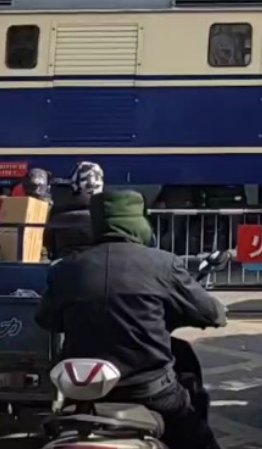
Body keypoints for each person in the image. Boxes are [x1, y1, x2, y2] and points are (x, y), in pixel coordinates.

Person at [35, 190, 226, 449]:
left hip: (82, 391)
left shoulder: (67, 268)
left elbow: (46, 319)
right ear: (140, 222)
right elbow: (212, 313)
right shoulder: (163, 264)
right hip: (149, 389)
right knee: (197, 437)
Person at [44, 161, 104, 260]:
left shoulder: (57, 217)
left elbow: (49, 247)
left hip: (64, 267)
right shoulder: (105, 219)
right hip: (95, 268)